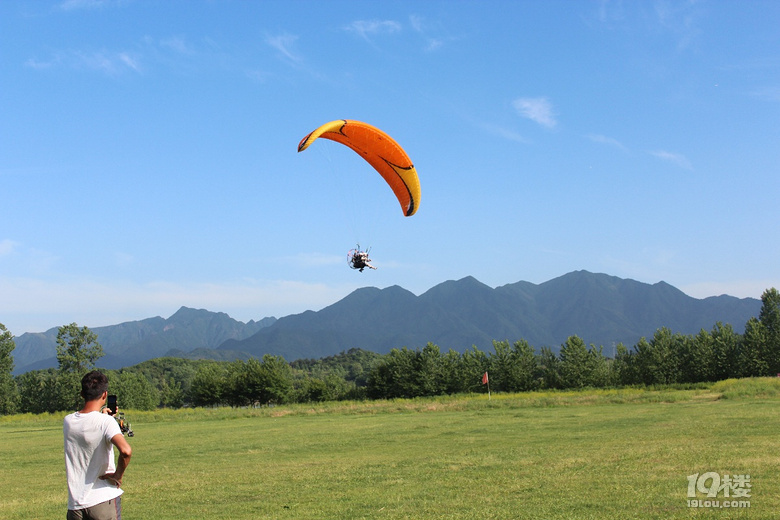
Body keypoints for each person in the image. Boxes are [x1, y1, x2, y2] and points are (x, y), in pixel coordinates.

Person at [64, 371, 132, 520]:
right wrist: (118, 476)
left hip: (75, 505)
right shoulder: (106, 422)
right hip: (102, 499)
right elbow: (126, 451)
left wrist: (103, 416)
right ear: (104, 395)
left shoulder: (68, 421)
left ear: (82, 394)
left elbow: (88, 426)